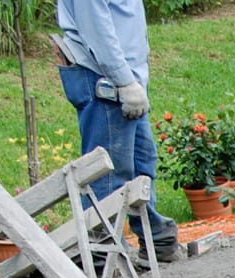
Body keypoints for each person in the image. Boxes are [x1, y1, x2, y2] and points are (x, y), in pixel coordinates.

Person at [55, 0, 180, 262]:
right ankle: (103, 259)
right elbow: (96, 28)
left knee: (141, 162)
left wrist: (131, 80)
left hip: (127, 79)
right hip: (104, 78)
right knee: (108, 174)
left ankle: (155, 238)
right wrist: (123, 80)